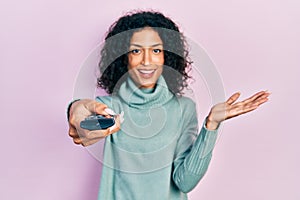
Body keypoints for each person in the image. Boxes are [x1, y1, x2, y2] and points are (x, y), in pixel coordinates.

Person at [67, 11, 270, 200]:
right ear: (124, 58)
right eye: (136, 51)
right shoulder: (109, 107)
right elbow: (83, 122)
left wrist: (211, 125)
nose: (147, 61)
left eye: (156, 50)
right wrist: (77, 110)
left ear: (166, 57)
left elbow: (185, 182)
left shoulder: (183, 108)